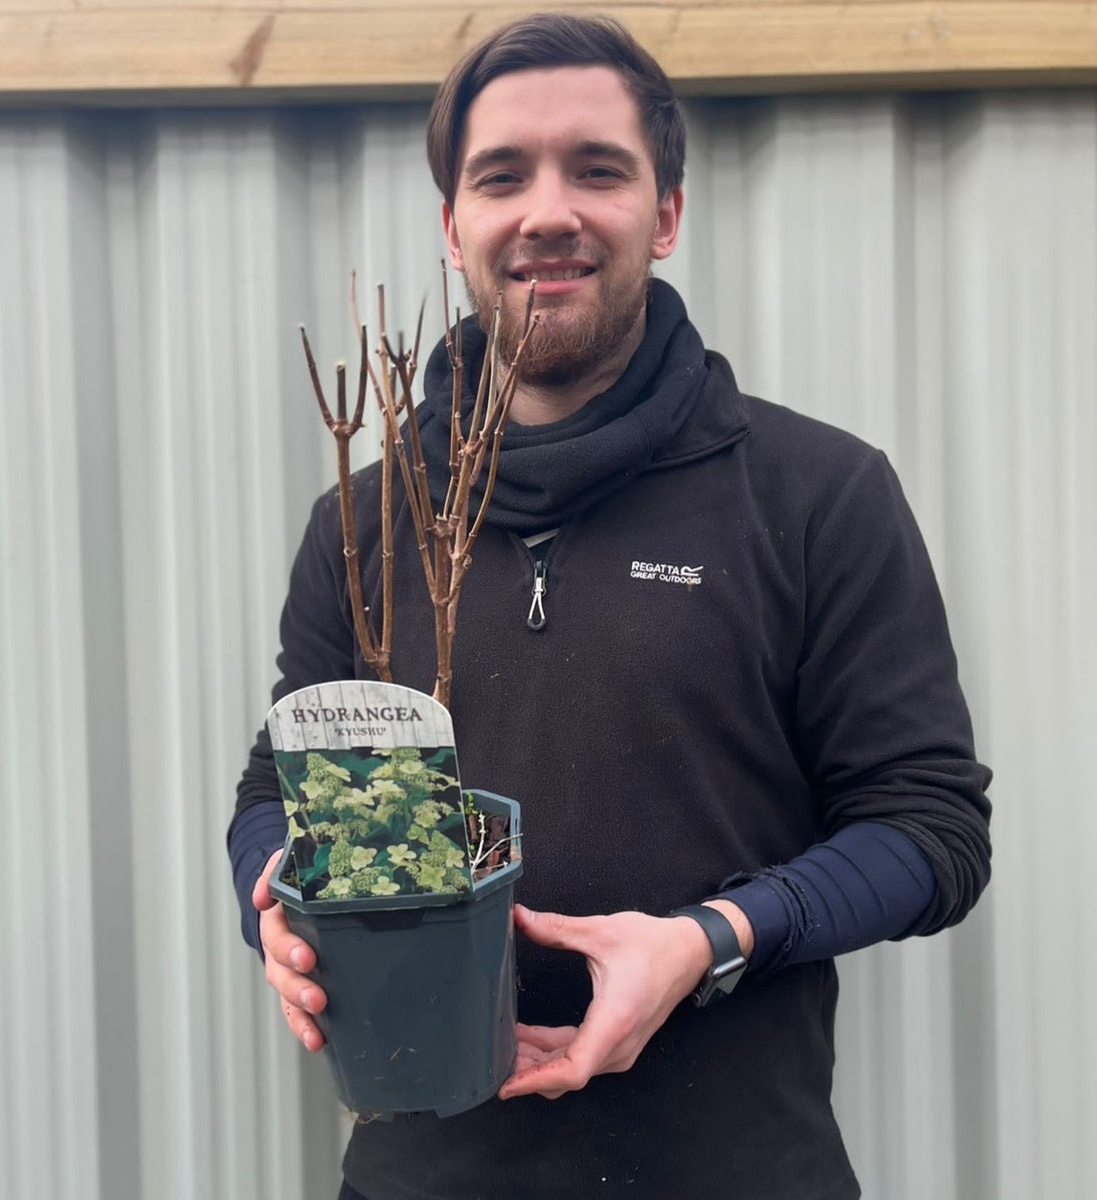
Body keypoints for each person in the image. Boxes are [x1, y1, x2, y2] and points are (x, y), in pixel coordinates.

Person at [228, 13, 991, 1199]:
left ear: (666, 213)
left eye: (597, 168)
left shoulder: (816, 494)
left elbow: (931, 829)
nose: (548, 211)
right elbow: (278, 789)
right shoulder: (364, 518)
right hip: (423, 1173)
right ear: (453, 228)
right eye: (501, 176)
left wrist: (710, 939)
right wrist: (273, 903)